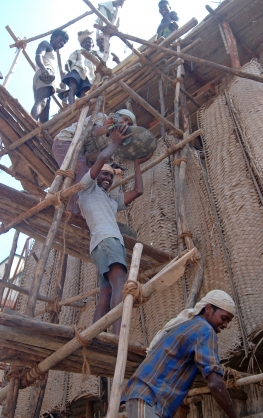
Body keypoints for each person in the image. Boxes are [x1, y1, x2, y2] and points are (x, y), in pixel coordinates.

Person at [78, 124, 151, 335]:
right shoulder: (87, 190)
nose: (107, 179)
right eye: (103, 175)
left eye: (110, 177)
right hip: (108, 240)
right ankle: (119, 337)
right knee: (120, 282)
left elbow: (138, 190)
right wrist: (115, 143)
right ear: (95, 175)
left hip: (99, 247)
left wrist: (137, 164)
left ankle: (94, 337)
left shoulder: (110, 201)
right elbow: (101, 158)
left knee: (106, 296)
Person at [123, 290, 239, 418]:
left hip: (144, 396)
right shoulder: (205, 330)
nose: (225, 325)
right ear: (209, 309)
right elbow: (215, 384)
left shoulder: (187, 326)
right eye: (224, 318)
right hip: (150, 398)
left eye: (228, 321)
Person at [52, 109, 136, 214]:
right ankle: (78, 210)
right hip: (66, 141)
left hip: (80, 155)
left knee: (79, 179)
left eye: (128, 124)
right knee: (82, 171)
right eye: (124, 119)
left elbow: (104, 162)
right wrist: (107, 128)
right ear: (116, 116)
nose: (125, 124)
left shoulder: (115, 140)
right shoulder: (103, 117)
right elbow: (94, 131)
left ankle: (71, 212)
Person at [31, 29, 69, 123]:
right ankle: (29, 123)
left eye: (64, 42)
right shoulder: (46, 44)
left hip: (44, 76)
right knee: (41, 102)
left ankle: (41, 132)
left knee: (45, 109)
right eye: (61, 39)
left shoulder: (53, 54)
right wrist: (43, 69)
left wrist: (60, 90)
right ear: (53, 37)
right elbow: (38, 55)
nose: (62, 43)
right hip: (45, 72)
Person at [62, 30, 96, 105]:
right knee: (73, 88)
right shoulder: (78, 51)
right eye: (85, 42)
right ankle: (71, 106)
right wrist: (68, 66)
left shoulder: (95, 56)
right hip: (77, 70)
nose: (87, 43)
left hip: (89, 76)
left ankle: (81, 107)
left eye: (89, 42)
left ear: (93, 44)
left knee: (85, 92)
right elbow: (71, 61)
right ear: (82, 44)